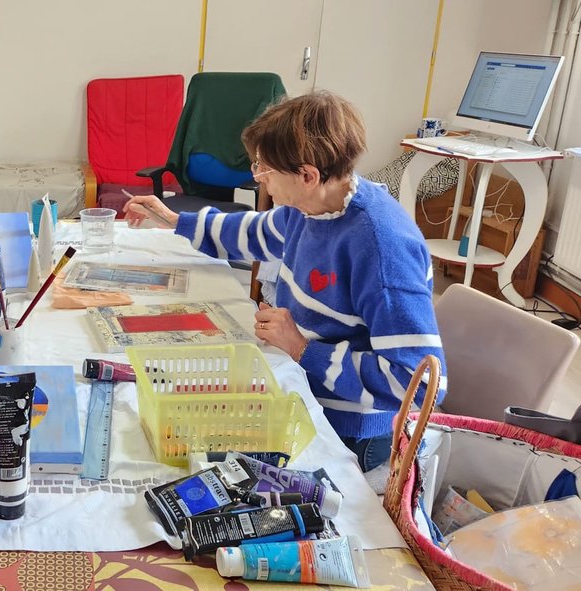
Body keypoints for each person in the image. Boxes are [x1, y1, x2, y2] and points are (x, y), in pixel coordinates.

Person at [124, 91, 446, 473]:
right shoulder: (309, 207)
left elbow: (418, 385)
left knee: (197, 463)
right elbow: (256, 232)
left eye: (264, 169)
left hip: (351, 430)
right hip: (302, 387)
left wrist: (302, 348)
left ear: (307, 176)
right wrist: (178, 221)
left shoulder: (382, 248)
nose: (258, 178)